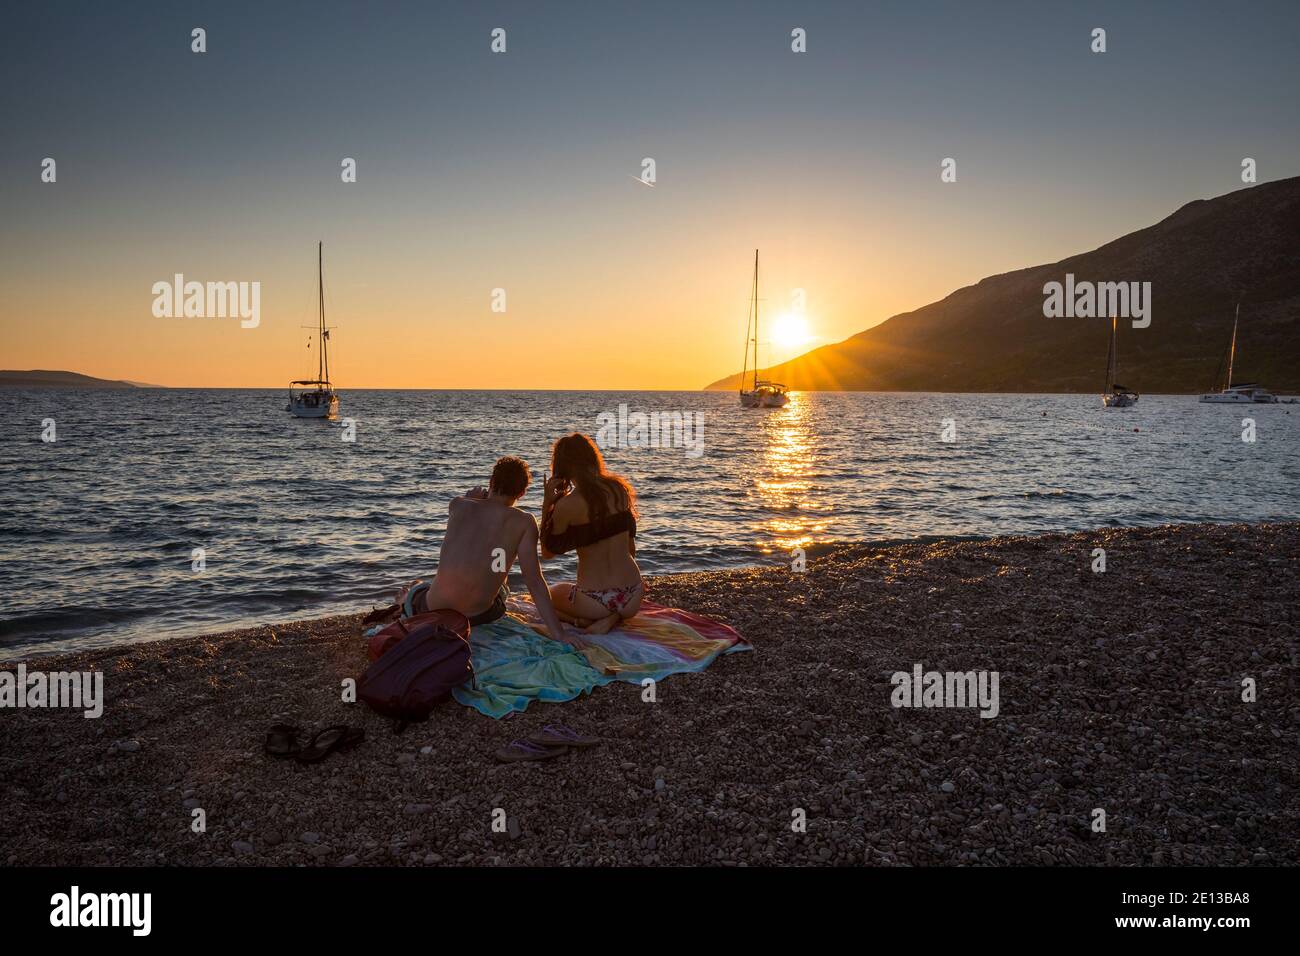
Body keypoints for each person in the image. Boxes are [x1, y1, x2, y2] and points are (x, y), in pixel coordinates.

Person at [410, 456, 571, 642]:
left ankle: (405, 599)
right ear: (521, 494)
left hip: (433, 608)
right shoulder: (525, 522)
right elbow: (533, 581)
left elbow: (470, 535)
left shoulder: (458, 504)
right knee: (500, 569)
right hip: (478, 616)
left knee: (418, 588)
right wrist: (559, 633)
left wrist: (470, 498)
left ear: (491, 482)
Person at [540, 433, 643, 634]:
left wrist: (547, 506)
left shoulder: (567, 505)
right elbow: (631, 549)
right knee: (607, 595)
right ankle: (614, 616)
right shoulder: (618, 489)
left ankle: (584, 621)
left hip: (595, 601)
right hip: (633, 593)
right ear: (593, 458)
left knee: (545, 596)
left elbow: (547, 553)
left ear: (562, 467)